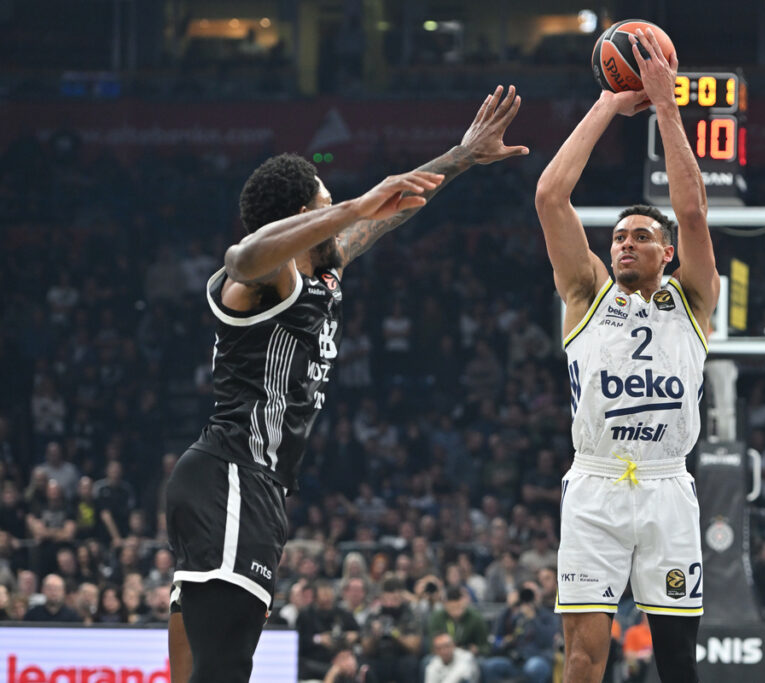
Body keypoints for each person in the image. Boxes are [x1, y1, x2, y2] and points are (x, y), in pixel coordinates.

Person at [165, 85, 528, 683]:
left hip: (248, 486)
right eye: (329, 202)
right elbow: (240, 255)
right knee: (224, 669)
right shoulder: (263, 278)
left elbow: (398, 205)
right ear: (306, 218)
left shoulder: (321, 271)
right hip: (232, 477)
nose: (348, 211)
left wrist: (462, 154)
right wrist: (353, 206)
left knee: (203, 670)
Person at [534, 28, 718, 683]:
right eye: (617, 236)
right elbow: (551, 197)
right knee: (584, 657)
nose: (624, 244)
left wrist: (667, 108)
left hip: (668, 483)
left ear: (665, 253)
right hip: (596, 483)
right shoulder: (586, 293)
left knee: (675, 662)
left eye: (640, 235)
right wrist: (611, 101)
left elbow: (692, 214)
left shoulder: (692, 300)